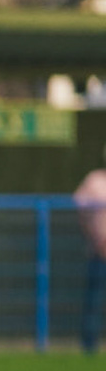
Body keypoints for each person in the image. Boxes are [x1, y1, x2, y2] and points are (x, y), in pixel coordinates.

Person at [74, 148, 106, 354]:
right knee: (93, 300)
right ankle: (89, 346)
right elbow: (79, 208)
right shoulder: (95, 180)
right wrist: (96, 239)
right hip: (98, 252)